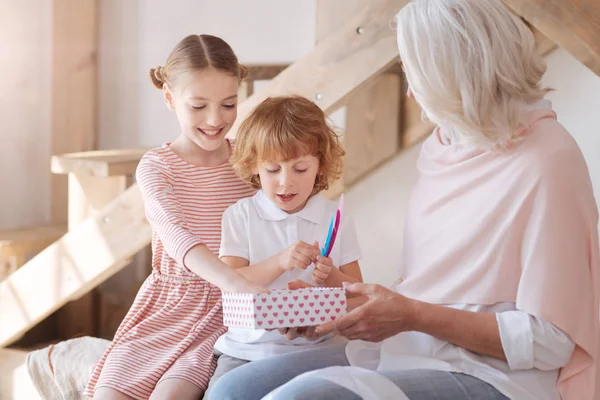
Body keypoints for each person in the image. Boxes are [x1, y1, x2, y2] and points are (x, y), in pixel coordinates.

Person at [206, 1, 599, 399]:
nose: (411, 92)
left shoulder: (549, 162)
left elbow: (551, 342)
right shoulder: (443, 147)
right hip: (412, 346)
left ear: (457, 75)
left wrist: (410, 315)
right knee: (235, 390)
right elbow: (424, 294)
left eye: (418, 76)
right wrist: (336, 310)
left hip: (492, 374)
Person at [84, 34, 266, 400]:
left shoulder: (249, 161)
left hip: (222, 310)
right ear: (169, 98)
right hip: (167, 306)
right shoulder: (157, 167)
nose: (215, 120)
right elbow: (174, 233)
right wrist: (235, 281)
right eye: (198, 106)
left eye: (229, 104)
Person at [204, 95, 364, 398]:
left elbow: (358, 295)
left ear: (320, 165)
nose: (285, 183)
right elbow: (230, 284)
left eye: (300, 169)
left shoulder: (334, 217)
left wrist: (331, 279)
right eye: (273, 170)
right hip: (249, 351)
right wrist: (279, 261)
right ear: (254, 167)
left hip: (320, 348)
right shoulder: (241, 216)